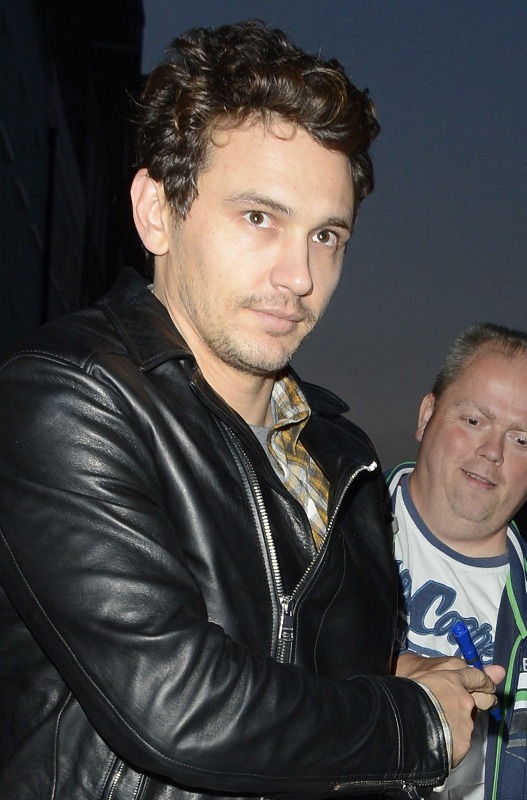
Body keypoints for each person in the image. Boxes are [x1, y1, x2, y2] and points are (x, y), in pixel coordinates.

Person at [0, 20, 501, 800]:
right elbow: (178, 707)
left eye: (326, 234)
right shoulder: (67, 396)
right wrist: (412, 721)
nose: (298, 275)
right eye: (258, 217)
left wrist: (391, 676)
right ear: (156, 211)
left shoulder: (340, 455)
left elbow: (301, 669)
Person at [387, 322, 527, 800]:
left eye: (521, 440)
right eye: (473, 421)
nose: (492, 452)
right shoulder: (314, 537)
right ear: (427, 415)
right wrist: (382, 678)